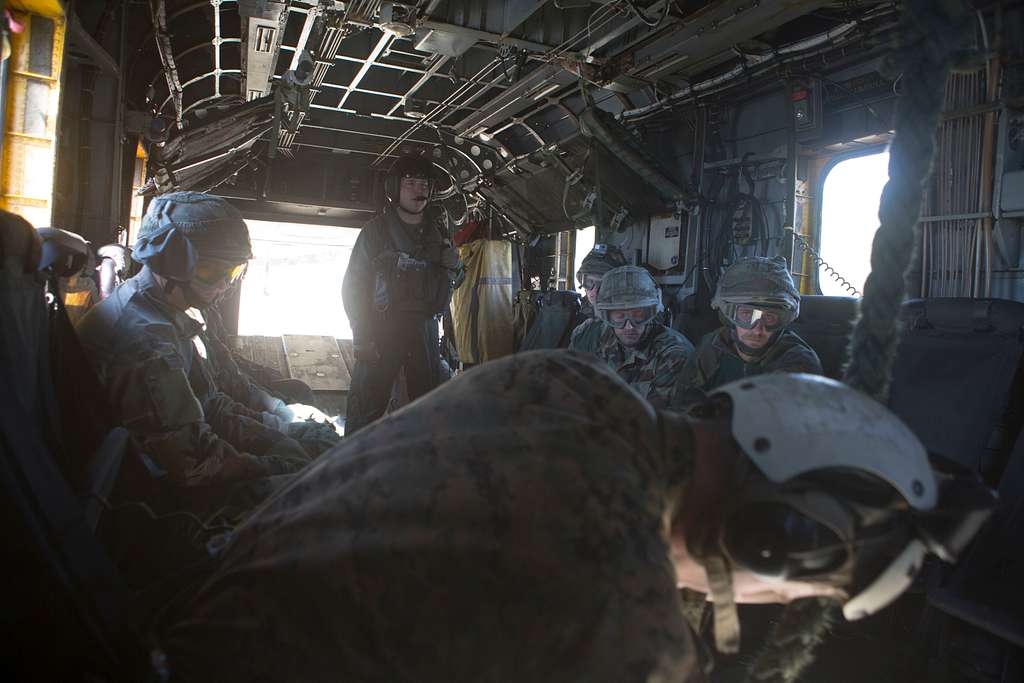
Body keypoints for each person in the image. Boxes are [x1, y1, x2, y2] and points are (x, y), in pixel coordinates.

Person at [156, 350, 991, 683]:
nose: (776, 604)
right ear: (773, 531)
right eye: (797, 589)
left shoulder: (569, 384)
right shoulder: (622, 622)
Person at [76, 192, 313, 519]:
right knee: (315, 494)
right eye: (209, 270)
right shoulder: (146, 341)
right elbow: (197, 464)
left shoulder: (162, 312)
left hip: (175, 472)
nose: (223, 286)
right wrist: (283, 465)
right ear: (172, 263)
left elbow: (210, 403)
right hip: (160, 502)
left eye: (231, 273)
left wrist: (277, 430)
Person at [342, 154, 461, 435]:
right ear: (395, 187)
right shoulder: (375, 233)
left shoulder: (439, 233)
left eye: (424, 183)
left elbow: (454, 279)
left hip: (425, 330)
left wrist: (453, 264)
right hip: (382, 329)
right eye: (410, 182)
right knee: (365, 408)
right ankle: (353, 466)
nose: (419, 189)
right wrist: (361, 335)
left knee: (425, 411)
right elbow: (354, 286)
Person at [671, 256, 822, 409]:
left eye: (769, 317)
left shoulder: (798, 360)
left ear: (782, 320)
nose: (757, 330)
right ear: (729, 316)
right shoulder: (712, 345)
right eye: (747, 315)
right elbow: (682, 405)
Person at [570, 264, 693, 407]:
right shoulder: (588, 335)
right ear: (607, 316)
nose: (629, 326)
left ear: (650, 313)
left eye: (638, 315)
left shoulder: (674, 354)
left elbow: (654, 420)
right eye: (619, 317)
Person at [568, 242, 627, 354]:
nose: (594, 291)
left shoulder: (631, 329)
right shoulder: (582, 332)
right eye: (590, 282)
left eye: (603, 283)